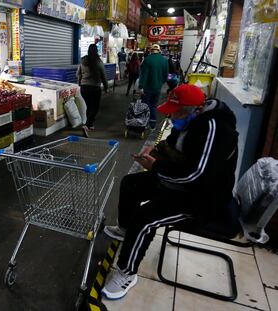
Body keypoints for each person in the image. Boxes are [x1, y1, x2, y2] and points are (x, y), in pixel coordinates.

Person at [101, 84, 239, 300]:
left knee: (145, 218)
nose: (173, 117)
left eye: (177, 112)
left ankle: (126, 273)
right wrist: (153, 152)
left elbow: (197, 175)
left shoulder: (215, 129)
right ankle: (126, 230)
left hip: (201, 198)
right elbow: (172, 143)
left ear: (196, 109)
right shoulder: (189, 120)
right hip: (181, 184)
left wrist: (155, 167)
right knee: (131, 183)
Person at [77, 44, 108, 133]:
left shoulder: (83, 61)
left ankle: (90, 125)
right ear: (96, 51)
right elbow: (103, 76)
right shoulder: (99, 61)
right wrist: (106, 88)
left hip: (84, 87)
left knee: (89, 106)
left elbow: (78, 74)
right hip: (94, 88)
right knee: (95, 107)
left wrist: (79, 83)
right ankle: (87, 125)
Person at [138, 44, 169, 129]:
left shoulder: (147, 60)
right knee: (154, 105)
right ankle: (152, 124)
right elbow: (166, 75)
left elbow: (143, 74)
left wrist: (141, 86)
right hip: (157, 88)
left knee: (145, 105)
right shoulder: (164, 60)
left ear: (151, 50)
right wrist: (160, 82)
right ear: (159, 51)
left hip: (147, 87)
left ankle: (144, 123)